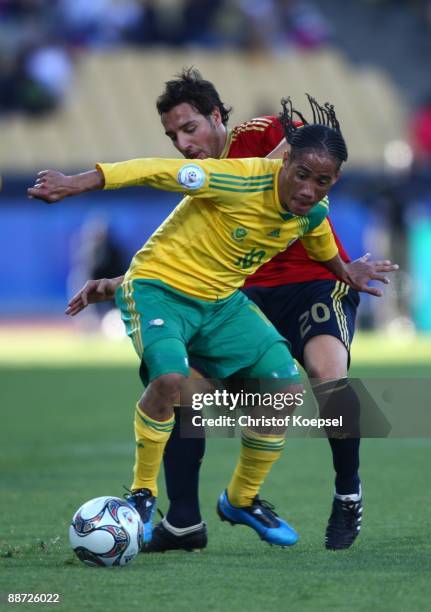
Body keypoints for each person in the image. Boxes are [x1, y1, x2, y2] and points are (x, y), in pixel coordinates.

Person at [62, 70, 398, 553]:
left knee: (325, 374)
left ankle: (347, 493)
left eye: (190, 128)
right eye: (173, 136)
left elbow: (306, 147)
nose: (183, 142)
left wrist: (344, 265)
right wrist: (120, 283)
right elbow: (182, 250)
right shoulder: (210, 182)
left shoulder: (256, 141)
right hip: (237, 290)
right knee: (184, 390)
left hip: (313, 281)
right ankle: (182, 521)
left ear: (217, 118)